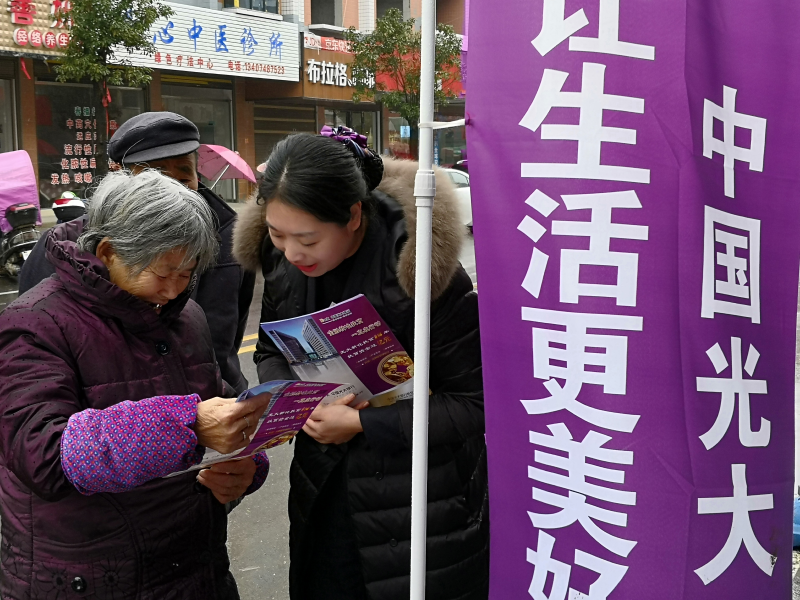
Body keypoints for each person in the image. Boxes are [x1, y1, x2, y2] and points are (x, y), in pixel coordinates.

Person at [233, 132, 489, 600]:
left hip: (420, 503)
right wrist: (294, 398)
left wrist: (361, 423)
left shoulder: (422, 272)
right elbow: (269, 350)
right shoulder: (282, 264)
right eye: (276, 234)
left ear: (353, 216)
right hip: (323, 490)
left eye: (308, 239)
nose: (291, 253)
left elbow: (474, 404)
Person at [0, 170, 271, 599]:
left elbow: (217, 403)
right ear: (108, 252)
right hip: (89, 576)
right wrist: (187, 423)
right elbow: (41, 455)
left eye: (187, 274)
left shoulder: (187, 316)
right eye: (163, 273)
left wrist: (243, 462)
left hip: (196, 566)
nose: (174, 290)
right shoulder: (34, 323)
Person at [18, 112, 255, 394]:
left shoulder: (228, 237)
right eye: (156, 176)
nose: (173, 189)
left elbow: (230, 339)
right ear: (121, 177)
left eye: (184, 175)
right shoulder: (64, 248)